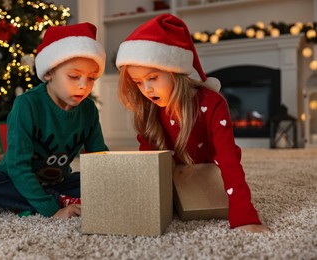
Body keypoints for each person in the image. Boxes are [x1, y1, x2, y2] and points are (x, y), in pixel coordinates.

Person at [115, 14, 270, 233]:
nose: (146, 89)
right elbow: (148, 166)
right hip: (173, 181)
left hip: (206, 179)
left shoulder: (211, 103)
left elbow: (228, 160)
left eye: (152, 78)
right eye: (138, 82)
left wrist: (244, 216)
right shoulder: (149, 108)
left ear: (175, 71)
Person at [0, 22, 108, 218]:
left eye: (91, 78)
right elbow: (17, 165)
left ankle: (27, 202)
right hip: (14, 179)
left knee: (103, 182)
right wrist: (53, 209)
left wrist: (114, 182)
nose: (84, 85)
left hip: (59, 181)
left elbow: (99, 157)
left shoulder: (88, 110)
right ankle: (57, 200)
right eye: (74, 76)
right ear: (48, 72)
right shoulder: (26, 105)